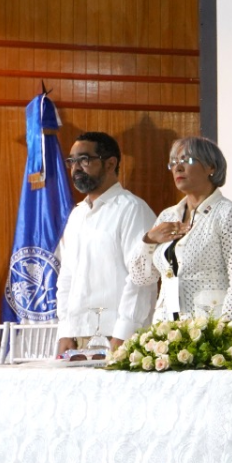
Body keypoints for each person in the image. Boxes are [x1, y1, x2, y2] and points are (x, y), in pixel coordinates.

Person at [129, 136, 232, 323]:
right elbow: (141, 277)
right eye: (173, 163)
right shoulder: (168, 216)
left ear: (211, 167)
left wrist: (228, 333)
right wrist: (149, 239)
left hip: (210, 333)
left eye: (187, 161)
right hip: (166, 333)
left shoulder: (230, 215)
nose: (177, 168)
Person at [54, 132, 156, 354]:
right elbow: (67, 277)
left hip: (119, 337)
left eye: (85, 159)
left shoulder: (131, 209)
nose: (76, 168)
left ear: (111, 164)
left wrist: (124, 334)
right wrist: (65, 330)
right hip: (78, 338)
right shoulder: (77, 215)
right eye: (72, 161)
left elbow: (140, 278)